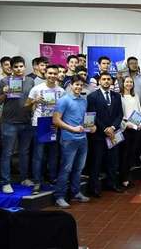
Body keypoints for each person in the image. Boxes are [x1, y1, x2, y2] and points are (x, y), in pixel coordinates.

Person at [0, 56, 36, 194]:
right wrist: (5, 93)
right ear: (11, 68)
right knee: (7, 153)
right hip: (9, 123)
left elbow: (31, 101)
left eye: (21, 66)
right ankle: (5, 182)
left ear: (24, 67)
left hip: (26, 122)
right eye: (16, 67)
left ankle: (24, 178)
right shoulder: (4, 81)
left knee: (24, 152)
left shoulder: (30, 81)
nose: (19, 69)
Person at [52, 75, 93, 208]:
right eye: (76, 85)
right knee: (66, 169)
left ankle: (75, 193)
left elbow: (84, 120)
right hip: (68, 140)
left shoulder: (83, 100)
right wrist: (72, 129)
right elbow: (56, 120)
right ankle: (59, 196)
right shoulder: (63, 100)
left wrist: (91, 127)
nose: (79, 87)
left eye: (81, 85)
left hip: (83, 139)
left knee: (78, 169)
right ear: (71, 85)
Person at [26, 65, 65, 194]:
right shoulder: (36, 88)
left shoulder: (61, 91)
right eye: (50, 73)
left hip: (54, 123)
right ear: (45, 73)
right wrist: (34, 101)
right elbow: (26, 105)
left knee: (53, 153)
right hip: (40, 123)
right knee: (38, 154)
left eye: (55, 73)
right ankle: (37, 181)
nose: (52, 76)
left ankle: (52, 178)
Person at [87, 72, 124, 196]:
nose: (106, 81)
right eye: (104, 79)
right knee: (97, 161)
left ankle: (112, 184)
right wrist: (105, 129)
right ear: (99, 81)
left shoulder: (117, 96)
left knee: (113, 161)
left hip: (114, 134)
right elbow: (92, 115)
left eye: (109, 79)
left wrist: (113, 127)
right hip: (98, 135)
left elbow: (120, 114)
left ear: (112, 82)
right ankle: (95, 188)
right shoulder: (92, 96)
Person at [119, 76, 141, 189]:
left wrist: (140, 123)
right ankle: (123, 178)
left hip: (136, 127)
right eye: (127, 81)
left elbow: (139, 110)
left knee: (133, 154)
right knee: (125, 154)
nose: (129, 84)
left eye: (131, 82)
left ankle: (129, 177)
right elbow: (120, 114)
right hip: (125, 128)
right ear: (123, 83)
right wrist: (127, 124)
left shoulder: (135, 96)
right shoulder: (119, 96)